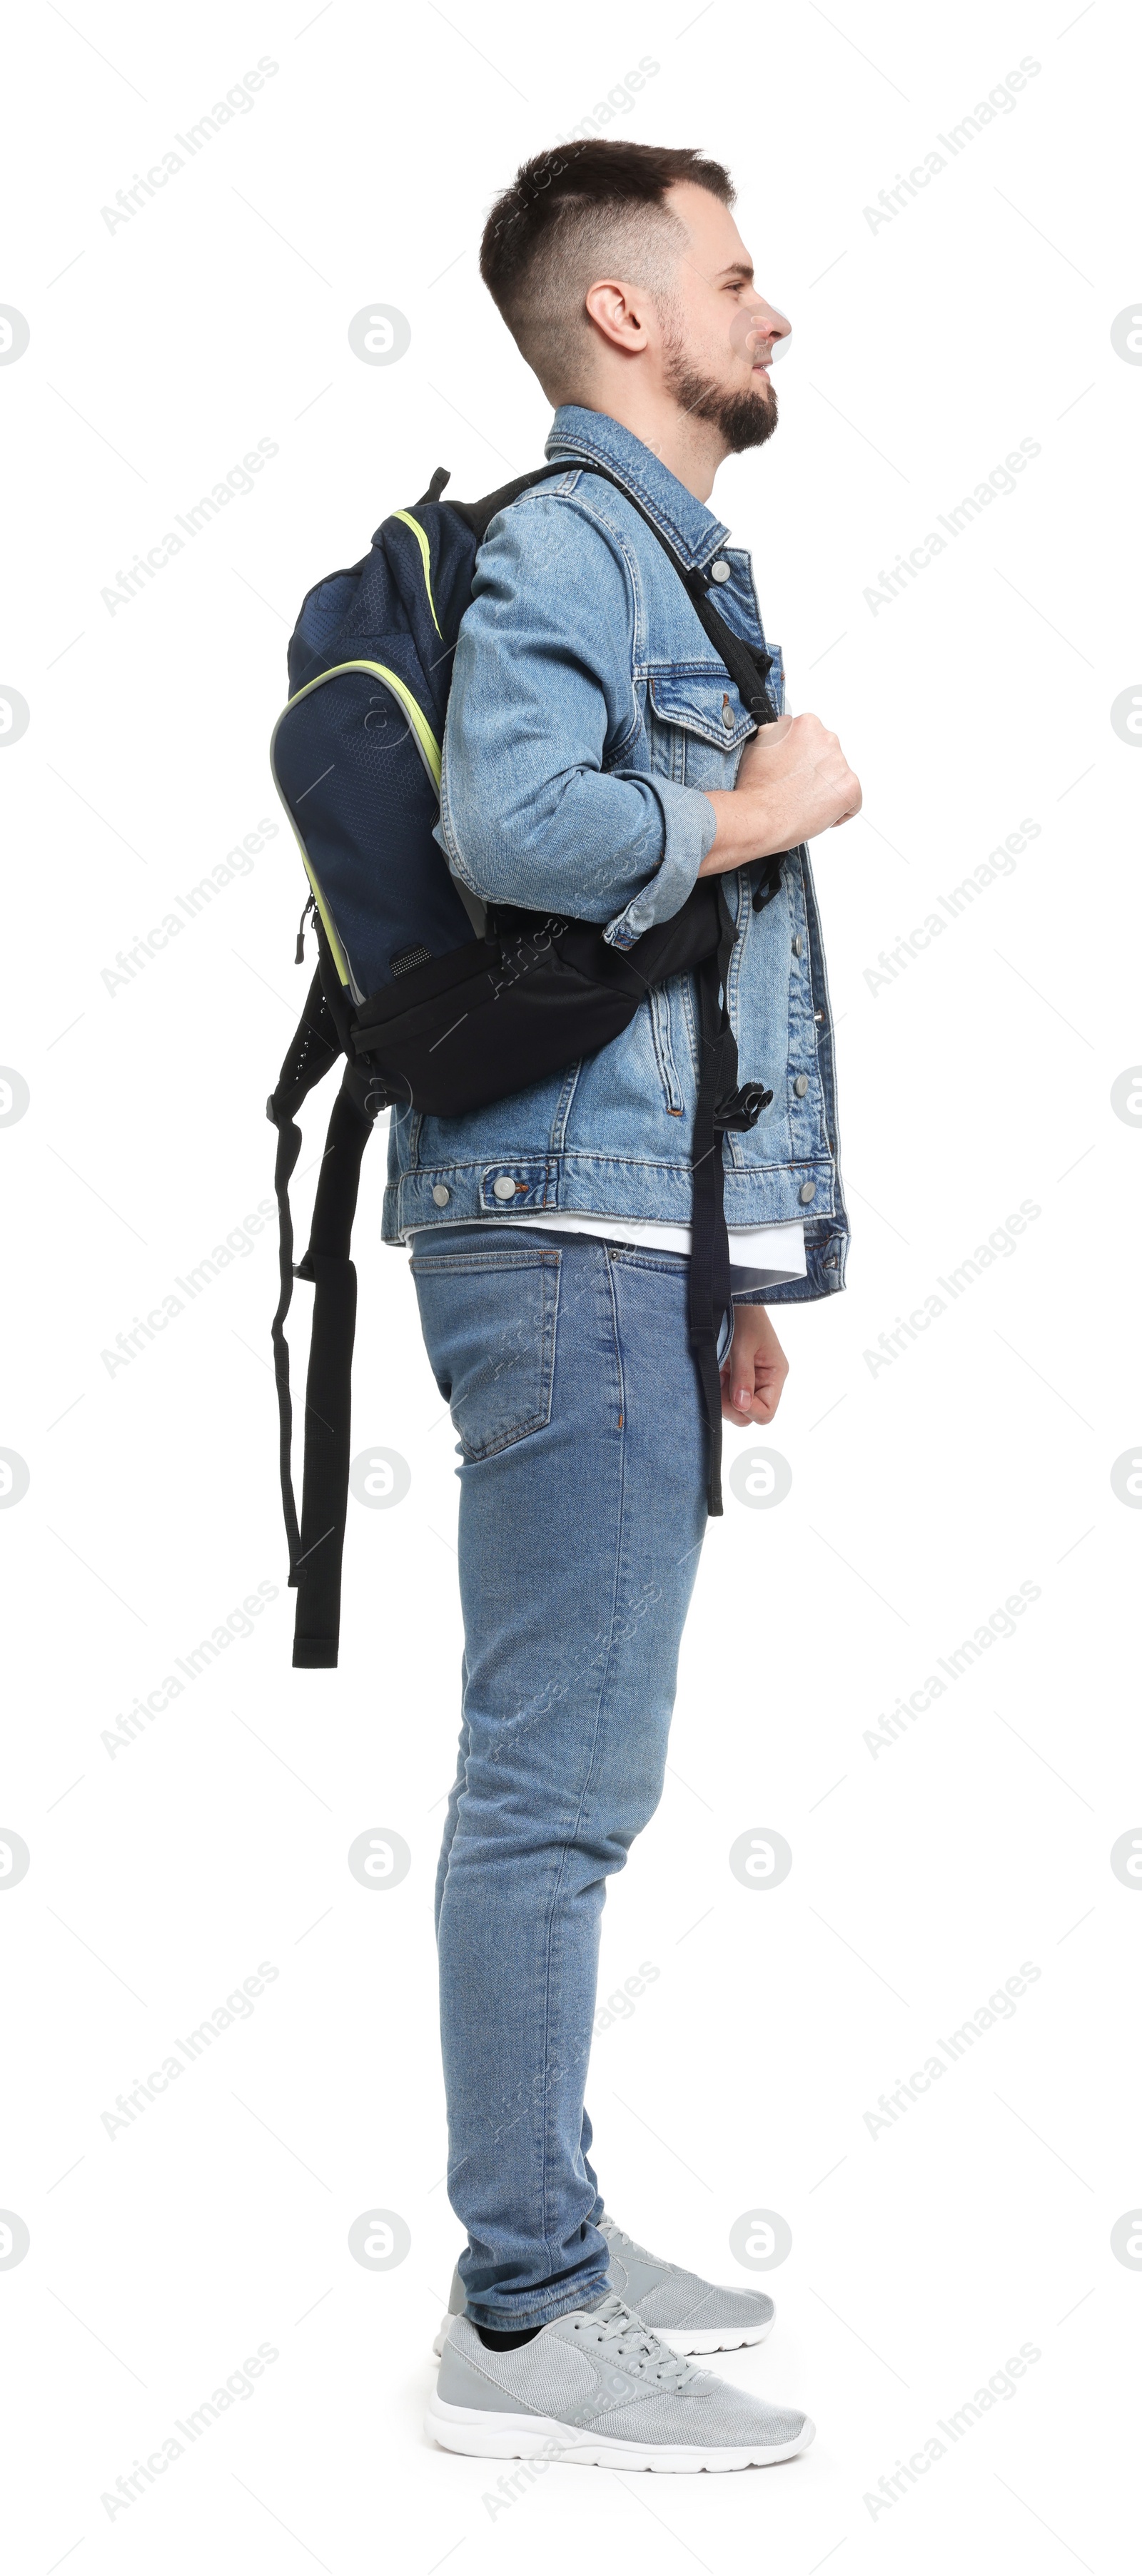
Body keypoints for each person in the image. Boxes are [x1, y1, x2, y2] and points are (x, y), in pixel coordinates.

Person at [389, 139, 861, 2472]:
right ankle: (520, 2316)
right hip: (551, 1239)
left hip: (610, 1243)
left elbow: (633, 978)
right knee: (550, 1794)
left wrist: (723, 1264)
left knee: (578, 1781)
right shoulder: (581, 542)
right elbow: (521, 830)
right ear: (626, 322)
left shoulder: (650, 553)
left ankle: (544, 2226)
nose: (776, 313)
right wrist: (771, 805)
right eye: (739, 278)